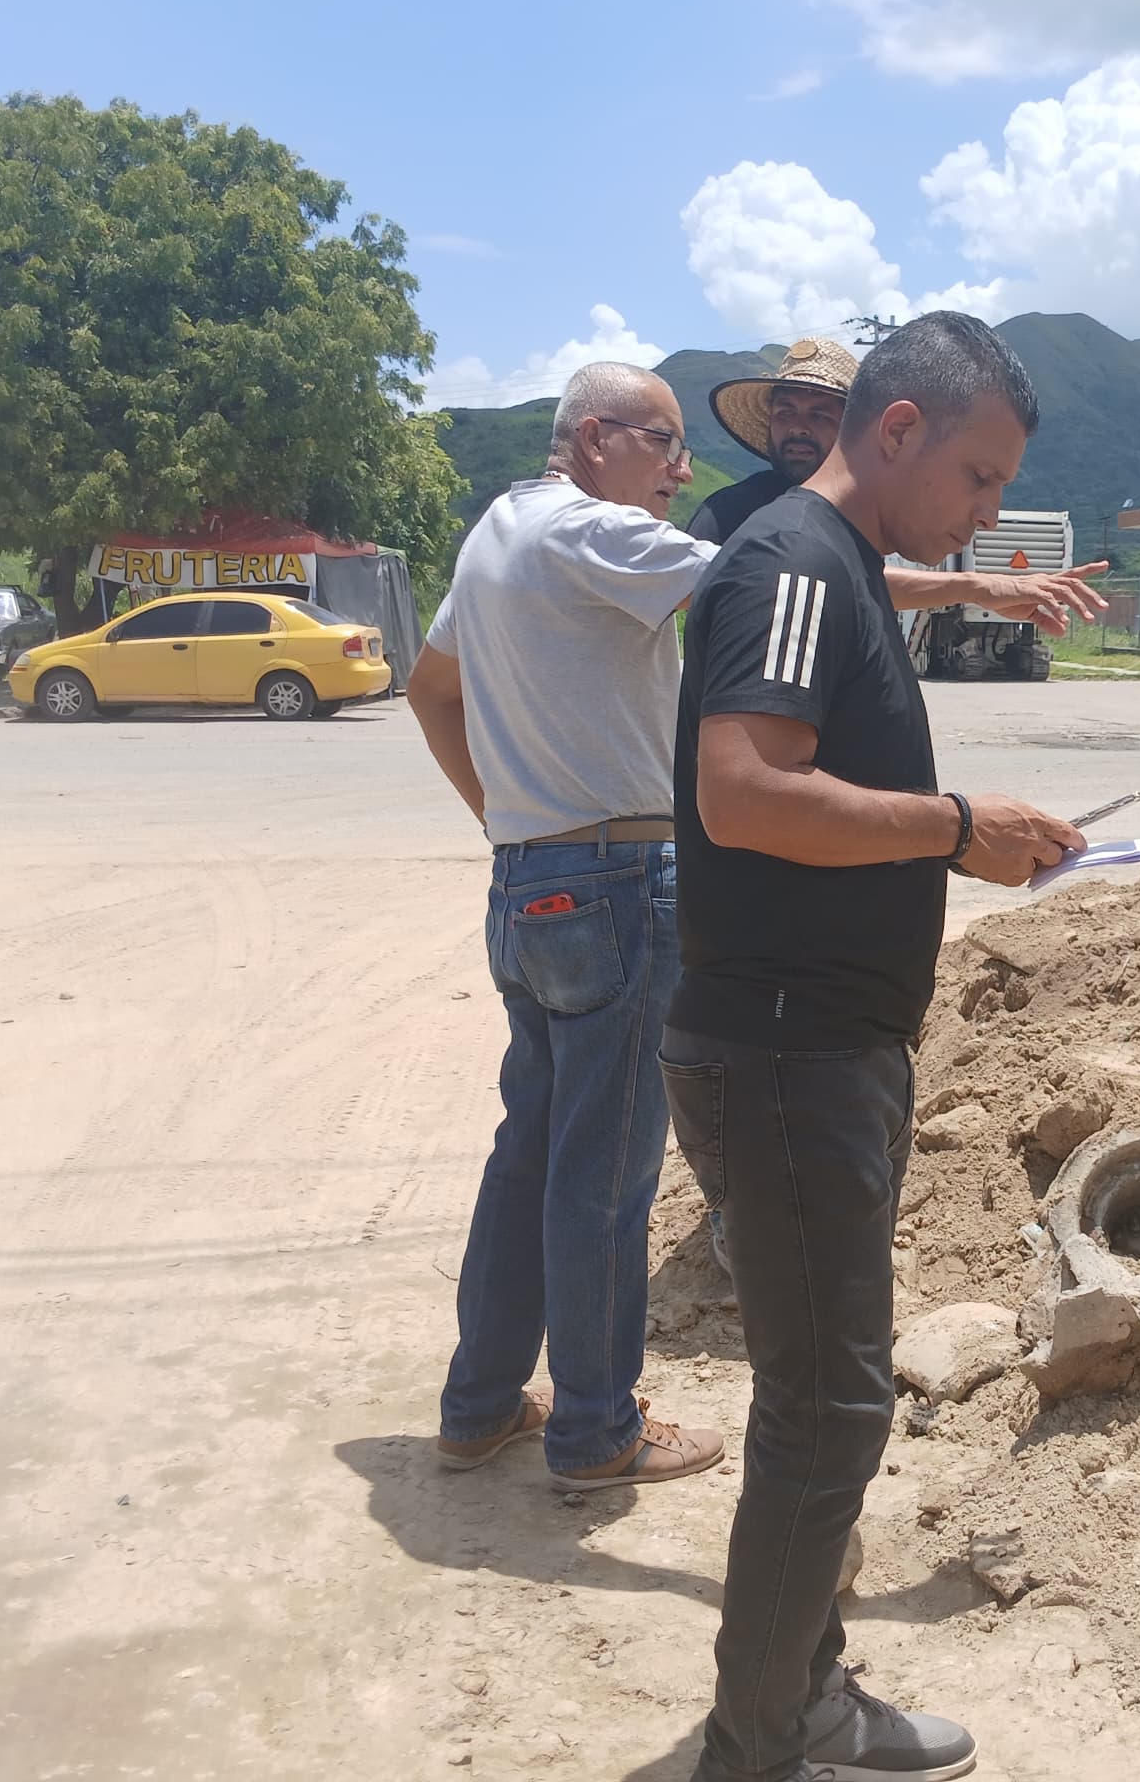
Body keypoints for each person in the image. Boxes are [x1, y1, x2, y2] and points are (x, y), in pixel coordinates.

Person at [663, 311, 1080, 1782]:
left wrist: (958, 827)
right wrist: (958, 828)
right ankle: (765, 1737)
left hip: (822, 1048)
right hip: (786, 1055)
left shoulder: (841, 565)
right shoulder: (790, 565)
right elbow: (741, 790)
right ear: (897, 431)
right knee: (828, 1407)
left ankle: (800, 1695)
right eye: (978, 477)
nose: (985, 512)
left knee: (826, 1400)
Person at [409, 360, 727, 1493]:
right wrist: (968, 587)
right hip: (620, 880)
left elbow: (428, 688)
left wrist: (507, 820)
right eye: (665, 444)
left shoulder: (495, 534)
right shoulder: (595, 531)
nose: (681, 472)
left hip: (529, 881)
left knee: (532, 1152)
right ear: (596, 438)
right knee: (607, 1169)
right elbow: (784, 583)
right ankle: (597, 1431)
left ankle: (481, 1405)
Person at [688, 335, 857, 547]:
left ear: (850, 429)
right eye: (785, 412)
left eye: (819, 415)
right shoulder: (727, 513)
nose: (798, 428)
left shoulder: (873, 514)